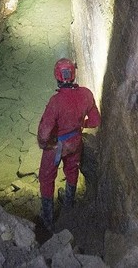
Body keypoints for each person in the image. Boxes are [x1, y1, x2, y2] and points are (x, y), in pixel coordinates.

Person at [37, 58, 101, 232]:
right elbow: (95, 121)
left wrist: (44, 144)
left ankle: (48, 219)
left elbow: (44, 133)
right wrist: (81, 126)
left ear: (57, 76)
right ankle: (69, 203)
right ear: (74, 74)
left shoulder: (55, 101)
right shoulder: (86, 94)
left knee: (46, 178)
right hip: (75, 142)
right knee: (72, 170)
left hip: (56, 145)